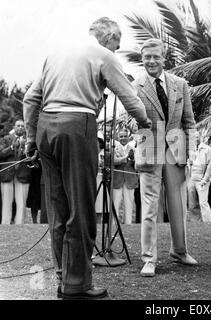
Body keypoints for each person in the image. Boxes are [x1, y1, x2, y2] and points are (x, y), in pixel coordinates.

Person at [23, 17, 151, 299]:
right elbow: (129, 97)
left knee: (57, 211)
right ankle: (77, 285)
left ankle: (62, 278)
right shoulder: (103, 55)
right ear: (108, 38)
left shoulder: (56, 53)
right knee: (81, 210)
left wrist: (32, 138)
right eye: (116, 45)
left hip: (46, 126)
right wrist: (145, 121)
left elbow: (31, 99)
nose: (116, 51)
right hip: (76, 126)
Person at [133, 38, 197, 277]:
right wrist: (140, 123)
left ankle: (179, 251)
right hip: (148, 150)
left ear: (164, 58)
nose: (151, 61)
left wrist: (188, 152)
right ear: (142, 58)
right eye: (147, 57)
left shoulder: (180, 84)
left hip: (176, 152)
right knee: (149, 207)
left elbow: (189, 122)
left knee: (178, 205)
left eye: (155, 57)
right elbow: (129, 122)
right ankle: (149, 259)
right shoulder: (135, 85)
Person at [0, 120, 32, 224]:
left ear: (25, 128)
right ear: (14, 127)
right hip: (7, 175)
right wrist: (12, 147)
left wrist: (23, 147)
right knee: (6, 203)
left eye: (22, 126)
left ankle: (20, 225)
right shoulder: (6, 139)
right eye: (18, 125)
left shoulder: (30, 140)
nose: (20, 127)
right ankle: (5, 225)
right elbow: (1, 154)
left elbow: (31, 157)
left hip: (23, 175)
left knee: (21, 203)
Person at [187, 131, 211, 222]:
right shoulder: (190, 151)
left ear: (201, 137)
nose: (196, 139)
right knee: (192, 204)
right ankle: (196, 223)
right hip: (191, 179)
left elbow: (210, 165)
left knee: (203, 203)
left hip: (202, 179)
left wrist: (205, 179)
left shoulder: (207, 149)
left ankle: (208, 223)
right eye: (194, 137)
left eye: (197, 137)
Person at [113, 129, 138, 224]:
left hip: (130, 180)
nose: (123, 138)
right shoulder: (114, 148)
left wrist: (132, 158)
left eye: (125, 136)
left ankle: (128, 224)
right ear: (118, 138)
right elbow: (114, 161)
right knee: (116, 203)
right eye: (121, 136)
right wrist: (126, 157)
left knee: (129, 203)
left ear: (128, 137)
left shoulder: (133, 149)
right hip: (117, 179)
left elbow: (137, 165)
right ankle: (114, 224)